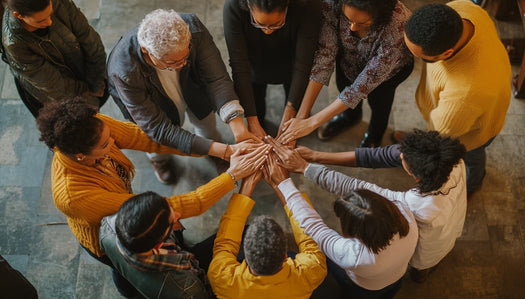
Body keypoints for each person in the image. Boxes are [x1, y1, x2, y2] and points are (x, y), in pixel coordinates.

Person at [36, 98, 268, 296]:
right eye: (107, 144)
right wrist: (232, 176)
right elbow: (169, 208)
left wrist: (222, 150)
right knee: (122, 265)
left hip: (128, 220)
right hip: (107, 234)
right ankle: (131, 288)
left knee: (144, 257)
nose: (114, 140)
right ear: (80, 156)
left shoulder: (94, 127)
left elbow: (146, 139)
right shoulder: (74, 197)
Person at [273, 130, 467, 282]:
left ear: (417, 176)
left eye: (403, 160)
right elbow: (379, 156)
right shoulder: (452, 161)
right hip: (453, 220)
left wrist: (304, 168)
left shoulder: (414, 205)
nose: (399, 156)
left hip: (430, 244)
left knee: (423, 263)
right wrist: (314, 157)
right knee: (435, 254)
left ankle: (420, 274)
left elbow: (358, 188)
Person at [108, 9, 259, 185]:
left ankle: (213, 149)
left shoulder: (193, 28)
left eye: (186, 56)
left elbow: (217, 79)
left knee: (206, 121)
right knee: (154, 140)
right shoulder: (124, 71)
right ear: (146, 51)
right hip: (151, 102)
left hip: (191, 84)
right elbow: (158, 128)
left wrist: (238, 126)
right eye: (173, 62)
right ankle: (160, 160)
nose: (182, 64)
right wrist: (226, 151)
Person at [261, 149, 418, 298]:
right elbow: (351, 185)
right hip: (397, 275)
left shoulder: (354, 257)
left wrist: (283, 184)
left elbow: (315, 227)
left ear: (355, 231)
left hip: (365, 288)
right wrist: (305, 167)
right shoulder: (404, 211)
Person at [400, 1, 512, 193]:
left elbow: (439, 134)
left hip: (474, 132)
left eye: (420, 56)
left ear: (447, 53)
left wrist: (416, 151)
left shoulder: (463, 95)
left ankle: (474, 182)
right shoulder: (464, 9)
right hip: (481, 102)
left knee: (472, 157)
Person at [278, 0, 413, 147]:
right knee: (343, 85)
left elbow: (360, 87)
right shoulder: (330, 4)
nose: (352, 28)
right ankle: (350, 117)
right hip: (348, 60)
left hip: (389, 72)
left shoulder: (398, 24)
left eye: (361, 23)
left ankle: (375, 133)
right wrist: (302, 116)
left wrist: (312, 123)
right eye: (347, 19)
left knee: (380, 103)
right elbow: (325, 56)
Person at [207, 166, 327, 298]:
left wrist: (248, 183)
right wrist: (282, 184)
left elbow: (225, 245)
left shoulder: (222, 279)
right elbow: (311, 237)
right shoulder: (310, 272)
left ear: (245, 258)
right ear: (285, 256)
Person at [223, 0, 322, 137]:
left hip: (293, 62)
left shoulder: (309, 6)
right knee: (255, 104)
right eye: (258, 24)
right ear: (248, 5)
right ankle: (260, 123)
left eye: (276, 24)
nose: (267, 31)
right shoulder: (234, 6)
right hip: (254, 63)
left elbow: (303, 64)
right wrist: (252, 121)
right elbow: (239, 64)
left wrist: (289, 116)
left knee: (294, 103)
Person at [1, 0, 108, 117]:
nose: (49, 22)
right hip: (55, 95)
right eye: (40, 20)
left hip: (83, 74)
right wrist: (86, 90)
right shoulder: (14, 43)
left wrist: (95, 81)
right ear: (18, 15)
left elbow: (90, 41)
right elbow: (52, 84)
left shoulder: (59, 2)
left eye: (50, 14)